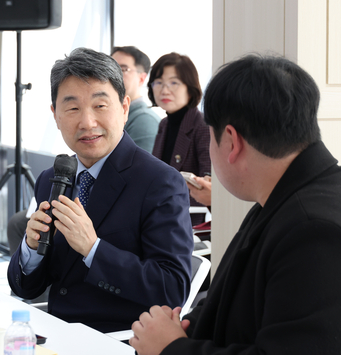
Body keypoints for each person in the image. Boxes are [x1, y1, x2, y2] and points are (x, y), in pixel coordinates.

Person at [130, 55, 341, 354]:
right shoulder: (283, 199)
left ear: (232, 141)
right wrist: (178, 329)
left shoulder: (314, 230)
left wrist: (172, 347)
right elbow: (229, 305)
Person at [7, 48, 193, 333]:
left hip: (117, 341)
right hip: (57, 336)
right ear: (55, 116)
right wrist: (31, 249)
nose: (87, 122)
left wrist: (92, 248)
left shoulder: (160, 182)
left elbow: (171, 289)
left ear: (125, 107)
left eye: (100, 105)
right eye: (72, 108)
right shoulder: (51, 179)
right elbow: (26, 288)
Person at [147, 53, 211, 225]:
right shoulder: (164, 124)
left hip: (190, 222)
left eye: (174, 82)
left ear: (190, 88)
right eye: (158, 82)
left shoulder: (202, 125)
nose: (164, 90)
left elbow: (209, 181)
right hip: (160, 216)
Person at [111, 46, 161, 152]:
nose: (113, 75)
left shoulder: (144, 121)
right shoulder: (114, 115)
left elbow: (141, 167)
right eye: (111, 69)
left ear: (141, 78)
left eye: (123, 69)